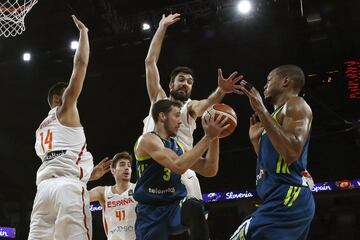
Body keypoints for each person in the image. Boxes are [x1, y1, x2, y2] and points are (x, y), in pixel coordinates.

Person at [143, 13, 241, 203]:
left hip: (183, 169)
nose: (185, 84)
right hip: (153, 169)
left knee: (191, 229)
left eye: (189, 82)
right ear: (170, 85)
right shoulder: (158, 99)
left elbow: (206, 105)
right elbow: (150, 62)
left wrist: (221, 91)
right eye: (181, 80)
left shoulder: (190, 107)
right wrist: (162, 27)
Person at [28, 15, 106, 240]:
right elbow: (80, 65)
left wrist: (88, 173)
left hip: (43, 193)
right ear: (57, 97)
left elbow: (58, 159)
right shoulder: (65, 109)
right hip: (68, 190)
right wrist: (84, 33)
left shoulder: (40, 129)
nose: (74, 97)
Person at [230, 65, 315, 240]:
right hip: (276, 199)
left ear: (285, 81)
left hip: (290, 196)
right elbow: (272, 162)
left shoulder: (295, 104)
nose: (265, 85)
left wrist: (261, 110)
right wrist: (256, 141)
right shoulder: (273, 119)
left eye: (269, 80)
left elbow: (291, 153)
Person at [134, 99, 229, 240]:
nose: (180, 121)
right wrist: (208, 137)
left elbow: (209, 169)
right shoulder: (147, 140)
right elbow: (178, 166)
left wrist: (215, 138)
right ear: (162, 116)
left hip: (174, 207)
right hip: (150, 211)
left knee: (194, 206)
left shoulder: (178, 145)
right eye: (176, 115)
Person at [89, 152, 137, 240]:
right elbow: (77, 197)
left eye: (129, 166)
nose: (127, 168)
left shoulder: (138, 189)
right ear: (113, 170)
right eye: (122, 165)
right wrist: (89, 177)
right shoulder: (102, 192)